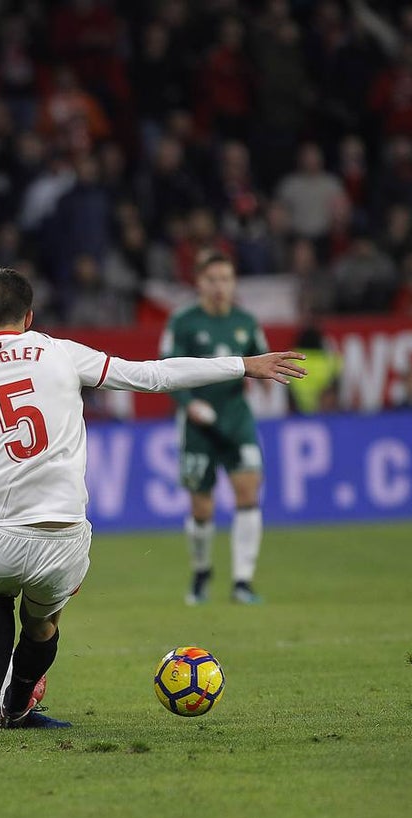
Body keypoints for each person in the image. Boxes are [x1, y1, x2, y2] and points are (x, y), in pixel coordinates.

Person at [0, 267, 305, 734]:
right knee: (41, 624)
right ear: (30, 316)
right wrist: (242, 364)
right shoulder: (62, 353)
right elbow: (153, 376)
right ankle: (17, 706)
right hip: (63, 539)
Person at [160, 251, 273, 605]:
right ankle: (201, 571)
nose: (219, 286)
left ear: (234, 282)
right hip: (198, 425)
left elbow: (260, 359)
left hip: (237, 420)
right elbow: (165, 370)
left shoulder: (246, 321)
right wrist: (188, 404)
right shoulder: (183, 322)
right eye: (212, 280)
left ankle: (242, 581)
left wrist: (269, 383)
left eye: (225, 279)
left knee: (248, 493)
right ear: (199, 283)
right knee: (202, 508)